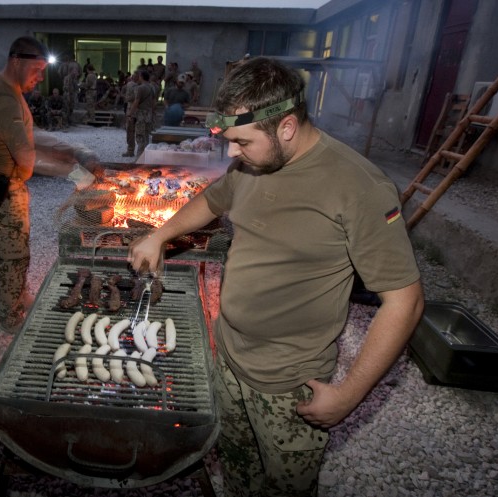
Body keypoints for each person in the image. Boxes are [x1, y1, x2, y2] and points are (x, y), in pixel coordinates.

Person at [128, 56, 424, 496]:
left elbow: (405, 301)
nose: (231, 153)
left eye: (241, 141)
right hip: (228, 358)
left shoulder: (358, 186)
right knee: (237, 468)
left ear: (286, 127)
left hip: (289, 385)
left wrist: (348, 394)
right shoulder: (252, 164)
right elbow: (213, 199)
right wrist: (160, 234)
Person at [0, 36, 101, 333]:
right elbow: (28, 157)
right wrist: (77, 174)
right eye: (37, 69)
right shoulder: (4, 99)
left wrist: (72, 149)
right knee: (13, 255)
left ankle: (19, 295)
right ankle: (10, 316)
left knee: (19, 249)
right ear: (16, 61)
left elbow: (31, 134)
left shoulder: (10, 89)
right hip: (0, 190)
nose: (40, 77)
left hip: (9, 186)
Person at [126, 70, 154, 158]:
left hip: (141, 114)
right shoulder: (151, 87)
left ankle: (139, 159)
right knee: (146, 136)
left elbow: (136, 101)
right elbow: (154, 102)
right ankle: (146, 156)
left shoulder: (140, 88)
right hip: (149, 114)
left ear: (141, 77)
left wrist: (130, 113)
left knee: (140, 136)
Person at [121, 72, 138, 157]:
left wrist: (127, 98)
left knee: (130, 131)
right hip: (136, 111)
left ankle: (130, 150)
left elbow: (132, 97)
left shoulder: (132, 85)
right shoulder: (141, 86)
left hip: (132, 110)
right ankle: (139, 151)